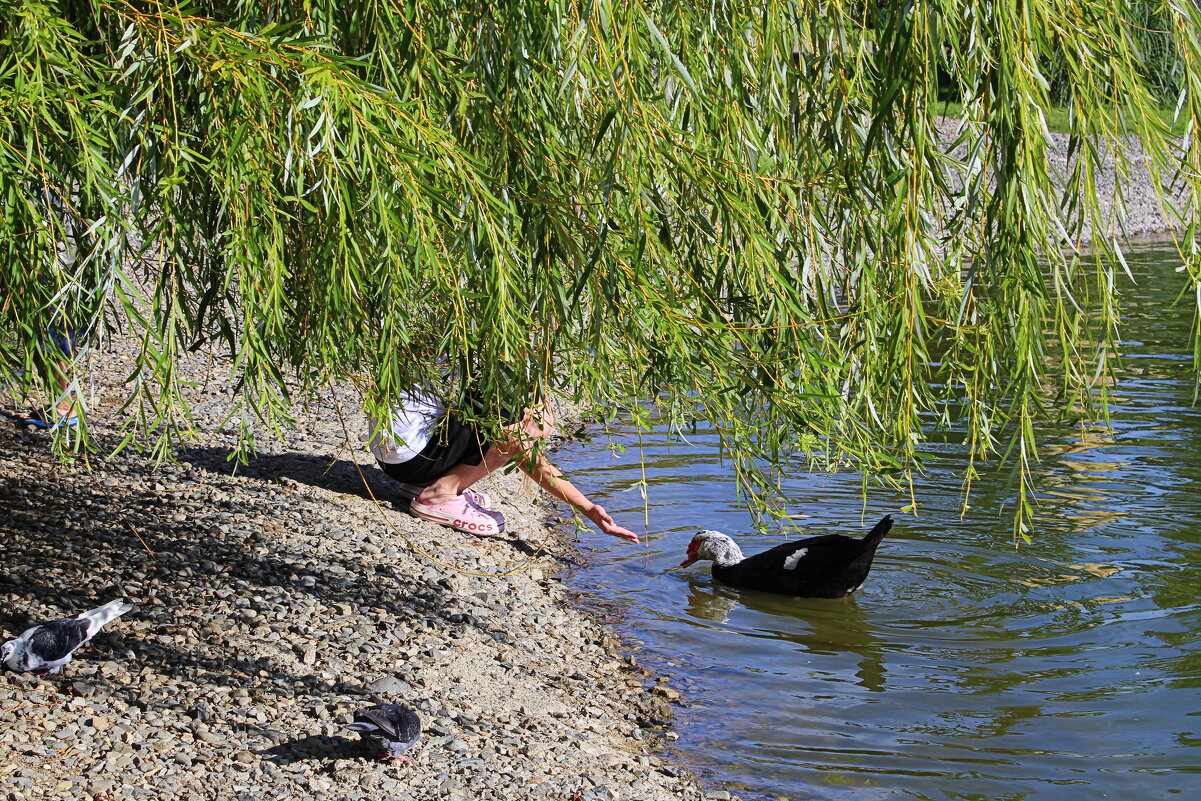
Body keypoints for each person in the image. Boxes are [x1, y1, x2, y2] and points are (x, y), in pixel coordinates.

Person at [367, 390, 639, 543]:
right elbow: (521, 446)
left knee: (523, 411)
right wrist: (586, 506)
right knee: (533, 420)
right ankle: (439, 494)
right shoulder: (499, 360)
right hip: (416, 456)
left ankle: (428, 483)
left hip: (397, 457)